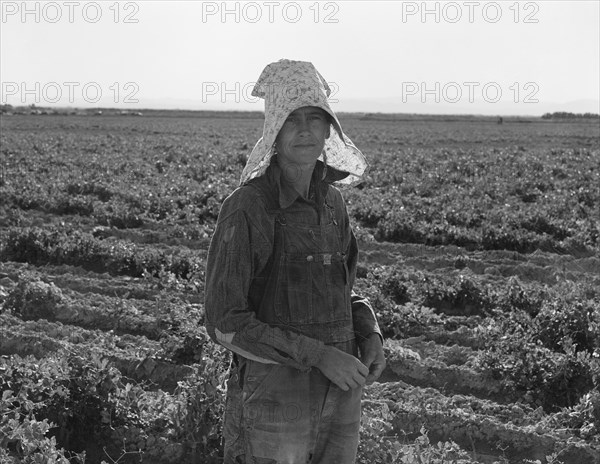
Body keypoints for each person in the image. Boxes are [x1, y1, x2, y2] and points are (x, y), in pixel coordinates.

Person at [204, 59, 385, 464]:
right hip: (276, 398)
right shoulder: (248, 207)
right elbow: (224, 321)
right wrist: (319, 355)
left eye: (315, 119)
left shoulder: (333, 202)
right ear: (275, 130)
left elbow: (343, 291)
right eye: (292, 120)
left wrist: (368, 332)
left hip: (341, 393)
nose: (305, 129)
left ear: (328, 129)